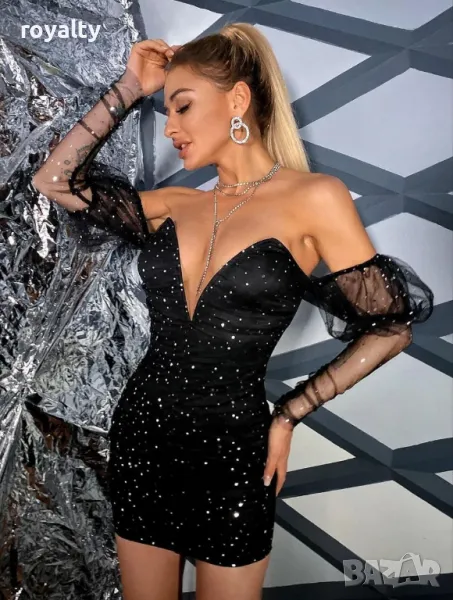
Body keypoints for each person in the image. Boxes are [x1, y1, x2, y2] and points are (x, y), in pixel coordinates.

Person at [32, 23, 434, 600]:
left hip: (232, 453)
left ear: (238, 99)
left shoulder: (314, 197)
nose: (170, 129)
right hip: (143, 439)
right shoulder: (176, 204)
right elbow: (55, 180)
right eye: (166, 111)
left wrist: (290, 413)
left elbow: (391, 328)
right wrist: (130, 86)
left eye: (183, 106)